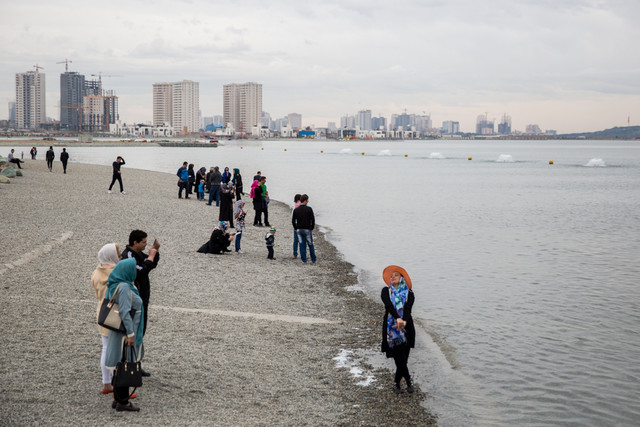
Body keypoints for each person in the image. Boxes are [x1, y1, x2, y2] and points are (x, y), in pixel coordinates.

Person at [104, 257, 144, 412]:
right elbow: (124, 311)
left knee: (118, 364)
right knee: (124, 364)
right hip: (125, 334)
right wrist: (131, 333)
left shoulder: (115, 284)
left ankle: (117, 398)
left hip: (118, 332)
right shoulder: (124, 288)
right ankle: (123, 402)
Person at [121, 229, 159, 378]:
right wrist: (150, 257)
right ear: (135, 242)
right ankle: (129, 365)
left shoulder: (137, 254)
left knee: (140, 333)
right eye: (144, 242)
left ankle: (136, 363)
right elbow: (141, 272)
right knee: (133, 333)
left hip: (142, 299)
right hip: (134, 302)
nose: (146, 244)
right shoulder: (128, 256)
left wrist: (154, 253)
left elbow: (151, 265)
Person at [90, 243, 121, 395]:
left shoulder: (96, 272)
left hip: (102, 310)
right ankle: (118, 383)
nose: (120, 255)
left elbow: (96, 293)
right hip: (116, 312)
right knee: (118, 349)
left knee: (106, 347)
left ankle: (106, 382)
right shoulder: (117, 272)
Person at [380, 265, 415, 394]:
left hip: (407, 328)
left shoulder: (409, 294)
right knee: (398, 357)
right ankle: (408, 381)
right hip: (391, 329)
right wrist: (397, 319)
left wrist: (403, 322)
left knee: (404, 357)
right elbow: (388, 306)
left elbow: (407, 310)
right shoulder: (386, 291)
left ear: (402, 278)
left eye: (396, 275)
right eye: (391, 276)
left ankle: (396, 383)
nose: (393, 277)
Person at [292, 194, 316, 264]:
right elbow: (313, 219)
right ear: (305, 201)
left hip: (299, 229)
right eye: (307, 200)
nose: (308, 201)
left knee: (302, 245)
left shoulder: (296, 210)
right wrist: (312, 227)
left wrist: (295, 228)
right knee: (310, 244)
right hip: (307, 229)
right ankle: (313, 260)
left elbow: (293, 221)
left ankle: (304, 260)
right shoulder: (309, 209)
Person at [291, 194, 302, 258]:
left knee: (295, 240)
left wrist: (295, 227)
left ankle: (295, 254)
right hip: (302, 225)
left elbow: (292, 217)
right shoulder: (303, 206)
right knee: (302, 240)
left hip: (296, 225)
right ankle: (303, 254)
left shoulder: (294, 207)